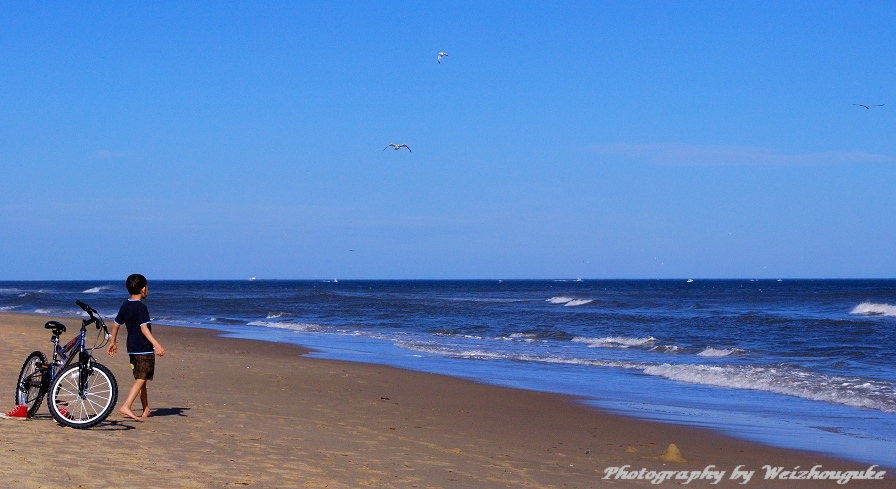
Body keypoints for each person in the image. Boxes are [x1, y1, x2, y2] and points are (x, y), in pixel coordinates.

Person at [107, 274, 165, 420]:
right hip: (143, 348)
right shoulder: (141, 307)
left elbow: (115, 324)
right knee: (141, 378)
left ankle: (146, 409)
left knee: (141, 379)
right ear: (143, 289)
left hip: (131, 347)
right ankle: (127, 405)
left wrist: (112, 341)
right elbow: (144, 328)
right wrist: (156, 344)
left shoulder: (125, 305)